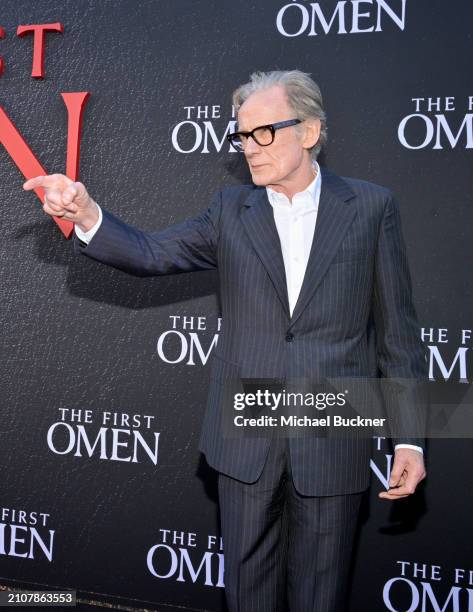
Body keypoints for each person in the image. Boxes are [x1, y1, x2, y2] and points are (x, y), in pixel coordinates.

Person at [24, 70, 427, 612]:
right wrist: (86, 214)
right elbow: (150, 253)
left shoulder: (372, 208)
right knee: (246, 596)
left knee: (321, 595)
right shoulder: (229, 211)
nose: (249, 149)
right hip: (247, 436)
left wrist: (409, 440)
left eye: (264, 133)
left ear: (309, 132)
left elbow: (399, 333)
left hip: (335, 428)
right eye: (242, 136)